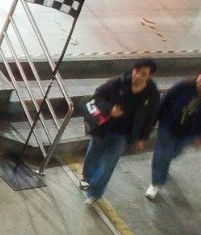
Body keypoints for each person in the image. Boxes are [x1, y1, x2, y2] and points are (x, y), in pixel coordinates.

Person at [81, 58, 160, 203]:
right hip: (104, 127)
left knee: (108, 164)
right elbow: (98, 95)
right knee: (93, 153)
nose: (138, 76)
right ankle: (87, 177)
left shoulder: (152, 94)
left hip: (123, 135)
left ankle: (94, 193)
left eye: (143, 74)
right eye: (136, 71)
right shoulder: (118, 82)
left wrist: (142, 137)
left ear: (150, 76)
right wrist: (109, 109)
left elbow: (151, 117)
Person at [148, 70, 201, 200]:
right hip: (169, 126)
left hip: (190, 133)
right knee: (163, 155)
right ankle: (156, 182)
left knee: (174, 153)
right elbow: (165, 101)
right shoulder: (182, 86)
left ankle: (164, 164)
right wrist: (152, 121)